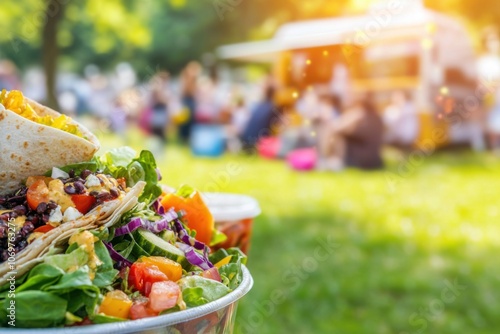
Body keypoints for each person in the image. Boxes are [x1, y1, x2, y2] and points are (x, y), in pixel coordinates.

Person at [321, 94, 384, 171]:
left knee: (335, 134)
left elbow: (336, 128)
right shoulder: (377, 118)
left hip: (360, 160)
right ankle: (328, 160)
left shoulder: (360, 114)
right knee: (337, 134)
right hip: (375, 161)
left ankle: (327, 159)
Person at [240, 85, 277, 149]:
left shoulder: (259, 105)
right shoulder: (272, 108)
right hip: (258, 143)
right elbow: (274, 129)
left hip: (246, 140)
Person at [179, 61, 201, 143]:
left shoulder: (195, 80)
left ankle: (189, 137)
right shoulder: (186, 79)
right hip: (187, 101)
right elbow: (185, 91)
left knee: (191, 121)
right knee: (185, 121)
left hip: (191, 102)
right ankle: (184, 137)